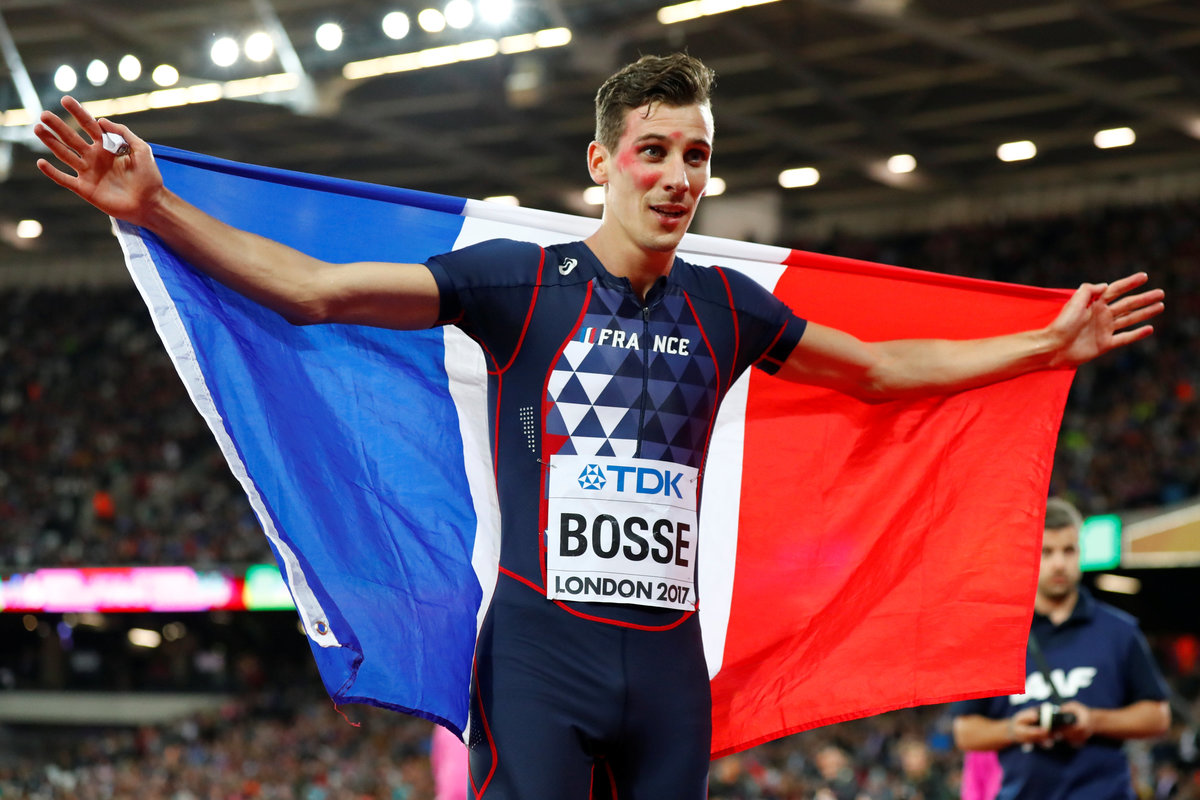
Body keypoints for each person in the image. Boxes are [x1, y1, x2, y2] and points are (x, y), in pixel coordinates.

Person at [35, 53, 1164, 799]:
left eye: (696, 155)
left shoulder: (728, 307)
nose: (676, 177)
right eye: (653, 150)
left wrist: (1045, 347)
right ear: (602, 163)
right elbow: (317, 292)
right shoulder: (518, 283)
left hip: (671, 667)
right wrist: (158, 206)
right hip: (541, 654)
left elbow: (877, 369)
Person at [951, 497, 1171, 799]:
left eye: (1068, 550)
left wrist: (1093, 720)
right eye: (1046, 552)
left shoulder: (1119, 631)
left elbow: (1158, 716)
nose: (1059, 563)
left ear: (1081, 552)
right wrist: (1013, 729)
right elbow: (965, 731)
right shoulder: (996, 638)